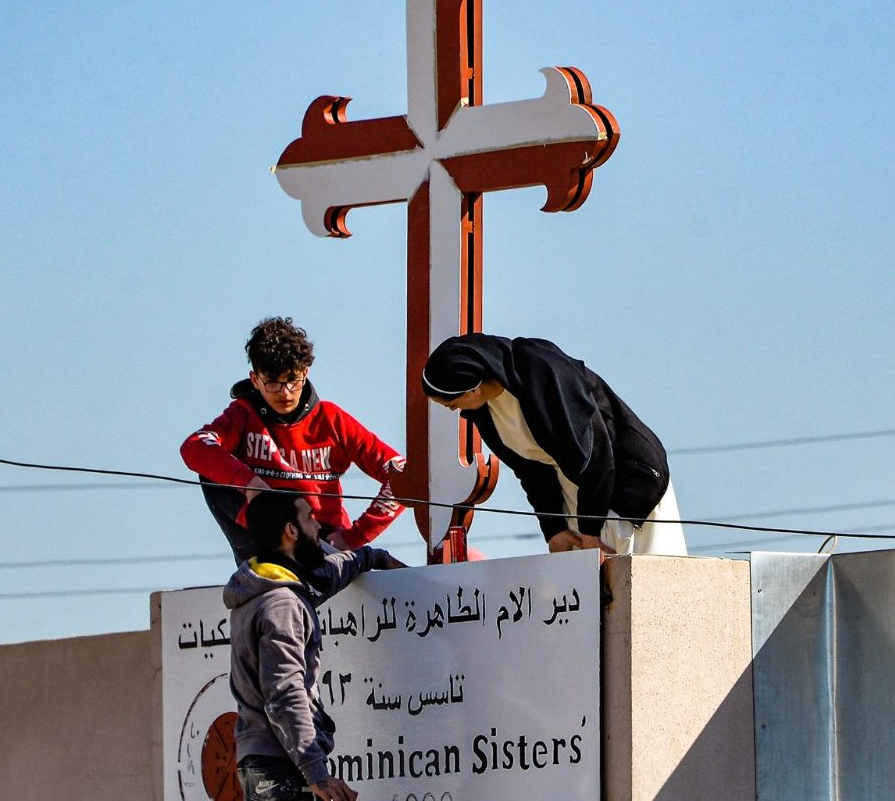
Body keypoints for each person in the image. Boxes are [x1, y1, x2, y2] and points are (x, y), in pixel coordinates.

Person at [420, 333, 687, 556]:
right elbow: (529, 470)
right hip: (577, 496)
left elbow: (596, 456)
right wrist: (554, 528)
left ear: (473, 389)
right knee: (590, 591)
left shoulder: (545, 372)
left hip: (624, 485)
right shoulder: (483, 410)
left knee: (642, 586)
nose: (452, 410)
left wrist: (590, 532)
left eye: (450, 403)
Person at [224, 491, 404, 800]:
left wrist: (374, 557)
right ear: (290, 531)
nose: (318, 526)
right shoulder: (281, 605)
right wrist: (316, 772)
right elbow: (284, 692)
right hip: (281, 765)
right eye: (309, 518)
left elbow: (325, 576)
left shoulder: (267, 587)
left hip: (269, 761)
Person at [182, 317, 407, 563]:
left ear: (305, 373)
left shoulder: (332, 419)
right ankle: (260, 566)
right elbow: (195, 446)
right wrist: (251, 485)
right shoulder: (243, 414)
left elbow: (404, 475)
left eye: (292, 379)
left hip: (322, 542)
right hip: (267, 537)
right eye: (272, 382)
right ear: (255, 379)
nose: (285, 392)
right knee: (211, 473)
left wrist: (353, 537)